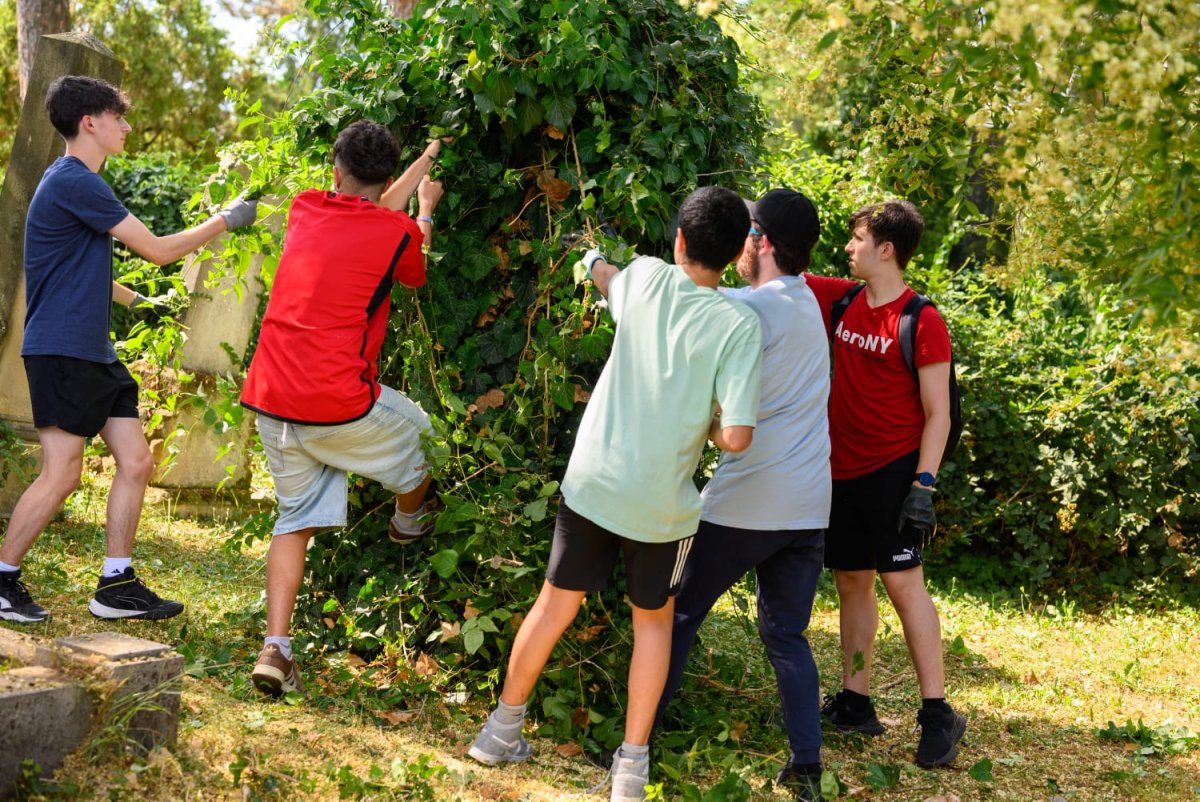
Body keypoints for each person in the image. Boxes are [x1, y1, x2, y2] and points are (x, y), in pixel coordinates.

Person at [467, 186, 764, 802]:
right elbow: (736, 436)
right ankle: (630, 770)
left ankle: (499, 733)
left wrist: (589, 252)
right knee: (652, 626)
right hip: (662, 507)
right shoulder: (739, 323)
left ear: (679, 240)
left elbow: (602, 273)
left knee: (554, 605)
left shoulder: (647, 278)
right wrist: (703, 423)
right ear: (740, 254)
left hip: (594, 482)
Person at [0, 75, 258, 624]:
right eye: (119, 117)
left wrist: (137, 299)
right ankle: (2, 580)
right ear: (89, 122)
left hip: (93, 351)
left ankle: (115, 584)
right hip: (65, 351)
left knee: (136, 461)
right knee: (62, 472)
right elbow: (160, 250)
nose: (127, 126)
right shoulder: (76, 180)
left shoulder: (73, 182)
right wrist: (226, 220)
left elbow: (65, 263)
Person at [239, 120, 444, 696]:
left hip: (270, 398)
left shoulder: (306, 207)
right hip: (336, 402)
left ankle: (275, 648)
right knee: (426, 436)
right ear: (384, 183)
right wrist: (426, 209)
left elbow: (374, 210)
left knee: (294, 517)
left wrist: (427, 156)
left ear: (336, 171)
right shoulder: (399, 232)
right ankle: (408, 520)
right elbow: (410, 256)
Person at [655, 189, 830, 801]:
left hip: (749, 502)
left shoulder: (751, 310)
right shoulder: (806, 303)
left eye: (746, 234)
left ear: (762, 241)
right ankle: (807, 766)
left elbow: (677, 299)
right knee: (786, 634)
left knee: (676, 613)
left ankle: (638, 738)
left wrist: (599, 268)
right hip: (809, 505)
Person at [802, 200, 967, 768]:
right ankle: (855, 699)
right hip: (840, 469)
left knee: (903, 585)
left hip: (895, 471)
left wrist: (923, 486)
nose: (848, 248)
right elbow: (779, 273)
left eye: (857, 239)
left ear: (886, 249)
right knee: (851, 580)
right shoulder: (842, 298)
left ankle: (938, 713)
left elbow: (938, 412)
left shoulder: (921, 319)